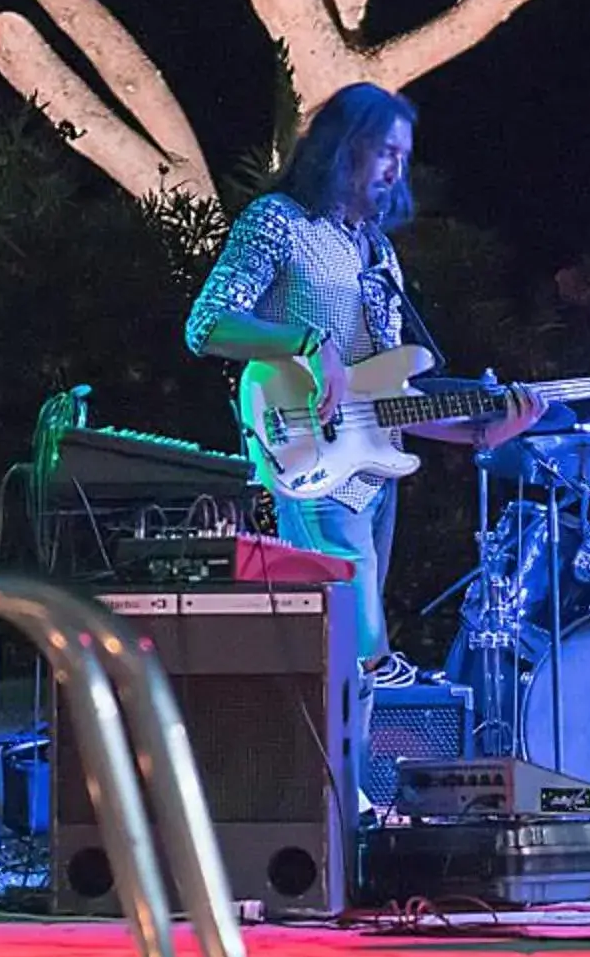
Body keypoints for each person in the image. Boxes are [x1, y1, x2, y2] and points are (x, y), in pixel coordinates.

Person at [186, 81, 538, 688]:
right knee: (359, 653)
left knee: (356, 664)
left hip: (372, 471)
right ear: (342, 147)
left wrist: (481, 433)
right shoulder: (279, 223)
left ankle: (352, 774)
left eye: (403, 155)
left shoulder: (377, 254)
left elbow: (384, 398)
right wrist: (306, 342)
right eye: (385, 151)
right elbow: (207, 324)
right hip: (305, 451)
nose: (397, 170)